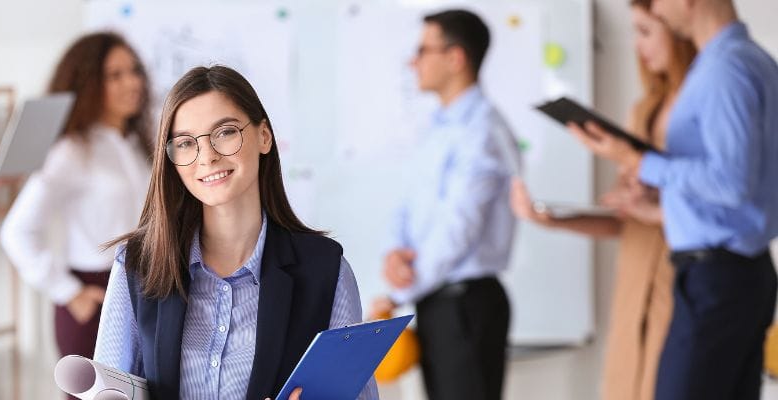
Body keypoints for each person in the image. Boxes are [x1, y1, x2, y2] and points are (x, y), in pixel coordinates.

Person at [92, 65, 378, 400]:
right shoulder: (138, 264)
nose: (207, 156)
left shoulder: (325, 270)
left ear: (264, 136)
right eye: (185, 143)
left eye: (225, 132)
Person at [567, 0, 778, 397]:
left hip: (717, 278)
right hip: (733, 274)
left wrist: (636, 160)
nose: (658, 10)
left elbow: (731, 182)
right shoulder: (750, 61)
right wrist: (656, 203)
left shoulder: (723, 70)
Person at [509, 1, 695, 399]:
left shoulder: (702, 109)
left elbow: (719, 208)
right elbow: (625, 220)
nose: (636, 45)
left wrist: (659, 204)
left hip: (685, 284)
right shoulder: (643, 110)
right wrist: (552, 220)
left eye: (646, 31)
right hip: (633, 291)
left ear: (679, 29)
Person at [368, 9, 520, 400]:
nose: (412, 61)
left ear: (455, 58)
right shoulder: (438, 126)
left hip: (466, 306)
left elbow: (459, 229)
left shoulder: (483, 131)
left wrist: (399, 291)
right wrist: (393, 256)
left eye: (423, 50)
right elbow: (408, 204)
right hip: (437, 302)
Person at [0, 32, 152, 385]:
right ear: (88, 83)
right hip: (94, 300)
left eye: (134, 71)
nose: (133, 83)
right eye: (115, 75)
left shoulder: (137, 146)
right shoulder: (71, 151)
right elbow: (16, 231)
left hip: (143, 294)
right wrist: (68, 292)